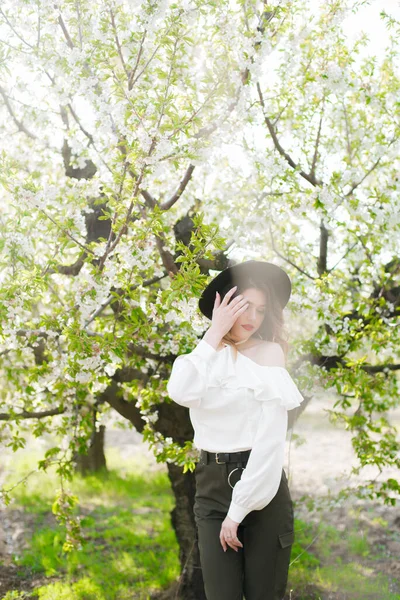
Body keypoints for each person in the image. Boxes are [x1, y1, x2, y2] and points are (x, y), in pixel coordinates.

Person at [167, 260, 305, 600]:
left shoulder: (269, 354)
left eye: (260, 310)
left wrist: (240, 509)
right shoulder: (203, 357)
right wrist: (214, 334)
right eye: (244, 306)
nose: (252, 318)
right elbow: (181, 391)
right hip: (212, 486)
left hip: (262, 485)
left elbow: (270, 442)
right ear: (223, 305)